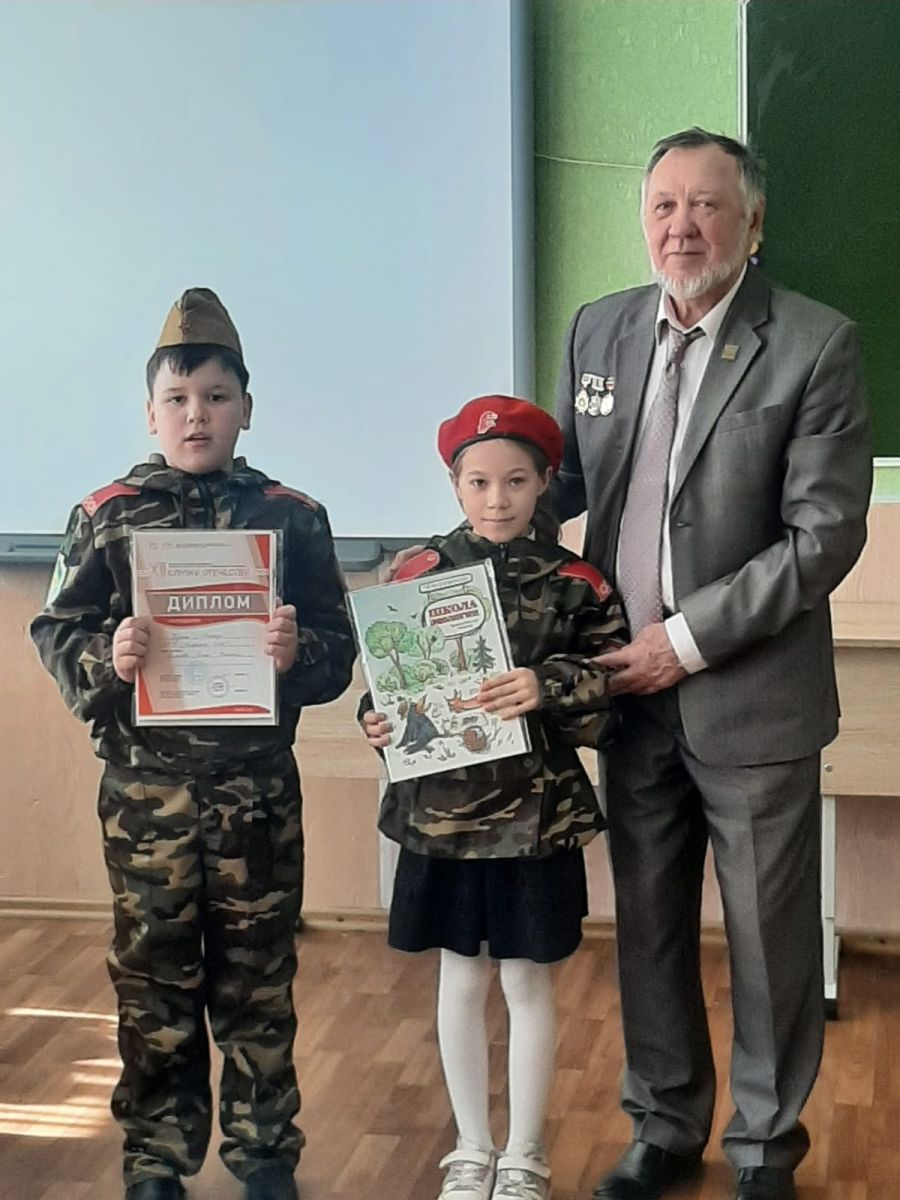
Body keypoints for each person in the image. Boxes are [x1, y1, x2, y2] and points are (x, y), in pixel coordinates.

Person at [553, 128, 872, 1200]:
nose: (681, 228)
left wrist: (679, 643)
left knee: (770, 940)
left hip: (749, 698)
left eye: (706, 206)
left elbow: (822, 539)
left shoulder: (816, 344)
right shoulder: (598, 329)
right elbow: (557, 482)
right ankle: (663, 1124)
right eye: (663, 206)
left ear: (753, 222)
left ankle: (766, 1148)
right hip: (626, 692)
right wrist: (462, 543)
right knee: (646, 926)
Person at [30, 288, 356, 1200]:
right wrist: (108, 655)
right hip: (148, 800)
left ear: (247, 408)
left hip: (257, 797)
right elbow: (56, 630)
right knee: (153, 982)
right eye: (177, 399)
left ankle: (264, 1156)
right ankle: (155, 1161)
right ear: (150, 414)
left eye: (215, 396)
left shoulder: (292, 516)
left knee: (259, 982)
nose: (196, 415)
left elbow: (339, 649)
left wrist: (297, 654)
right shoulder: (106, 515)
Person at [361, 395, 627, 1200]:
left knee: (526, 981)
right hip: (439, 818)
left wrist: (547, 685)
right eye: (478, 482)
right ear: (455, 484)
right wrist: (375, 718)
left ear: (545, 482)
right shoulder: (416, 575)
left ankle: (525, 1155)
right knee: (460, 977)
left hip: (535, 819)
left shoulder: (578, 582)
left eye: (516, 480)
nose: (497, 499)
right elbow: (384, 685)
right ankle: (472, 1149)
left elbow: (613, 687)